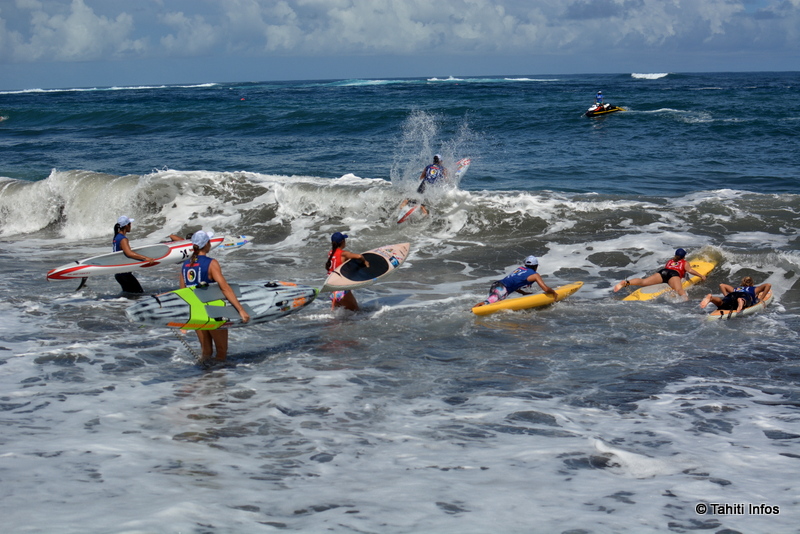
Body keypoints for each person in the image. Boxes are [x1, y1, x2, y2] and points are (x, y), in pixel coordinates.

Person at [180, 230, 250, 363]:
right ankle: (217, 380)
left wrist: (186, 320)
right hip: (215, 311)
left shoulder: (186, 265)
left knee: (206, 352)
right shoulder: (211, 263)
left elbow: (183, 292)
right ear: (207, 244)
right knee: (221, 351)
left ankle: (205, 378)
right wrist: (241, 310)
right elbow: (225, 288)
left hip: (197, 313)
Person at [613, 248, 706, 300]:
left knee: (643, 281)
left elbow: (670, 268)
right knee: (678, 289)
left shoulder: (670, 261)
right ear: (684, 256)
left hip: (663, 272)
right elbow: (689, 270)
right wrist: (701, 276)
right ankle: (686, 300)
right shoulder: (685, 262)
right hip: (673, 275)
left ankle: (625, 283)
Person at [474, 255, 557, 307]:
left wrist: (523, 293)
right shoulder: (535, 275)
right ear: (536, 266)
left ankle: (473, 310)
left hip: (497, 285)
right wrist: (553, 292)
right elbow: (545, 289)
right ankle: (471, 311)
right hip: (501, 289)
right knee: (488, 303)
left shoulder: (520, 269)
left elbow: (513, 282)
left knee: (491, 303)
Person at [325, 232, 369, 312]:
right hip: (342, 290)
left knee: (339, 319)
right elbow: (359, 256)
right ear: (342, 242)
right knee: (357, 313)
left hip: (332, 290)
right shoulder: (343, 254)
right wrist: (365, 262)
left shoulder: (330, 253)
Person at [112, 215, 157, 293]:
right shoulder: (123, 239)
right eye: (130, 224)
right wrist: (146, 258)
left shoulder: (116, 237)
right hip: (125, 274)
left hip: (119, 274)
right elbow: (129, 253)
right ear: (126, 225)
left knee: (129, 296)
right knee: (139, 294)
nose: (131, 226)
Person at [700, 276, 771, 312]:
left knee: (722, 303)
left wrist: (726, 296)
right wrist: (761, 299)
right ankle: (741, 301)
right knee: (745, 299)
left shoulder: (736, 288)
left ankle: (711, 298)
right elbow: (768, 285)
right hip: (744, 296)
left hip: (733, 294)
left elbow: (722, 285)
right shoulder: (753, 289)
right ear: (752, 284)